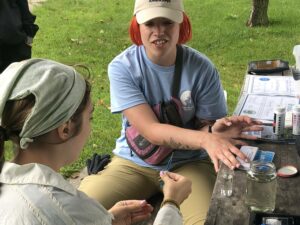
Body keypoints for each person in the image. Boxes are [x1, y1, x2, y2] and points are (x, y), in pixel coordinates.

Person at [78, 0, 263, 224]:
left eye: (167, 22)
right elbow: (151, 130)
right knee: (77, 209)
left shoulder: (202, 68)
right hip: (133, 162)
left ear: (181, 25)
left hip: (190, 163)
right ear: (137, 26)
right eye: (150, 23)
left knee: (207, 220)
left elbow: (204, 128)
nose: (159, 31)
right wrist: (206, 138)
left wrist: (214, 129)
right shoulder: (122, 67)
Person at [0, 58, 192, 225]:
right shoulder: (67, 207)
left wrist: (106, 220)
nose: (90, 128)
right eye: (89, 118)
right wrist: (171, 203)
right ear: (65, 129)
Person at [0, 0, 39, 73]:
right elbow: (26, 17)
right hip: (15, 42)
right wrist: (29, 42)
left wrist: (29, 43)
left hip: (14, 42)